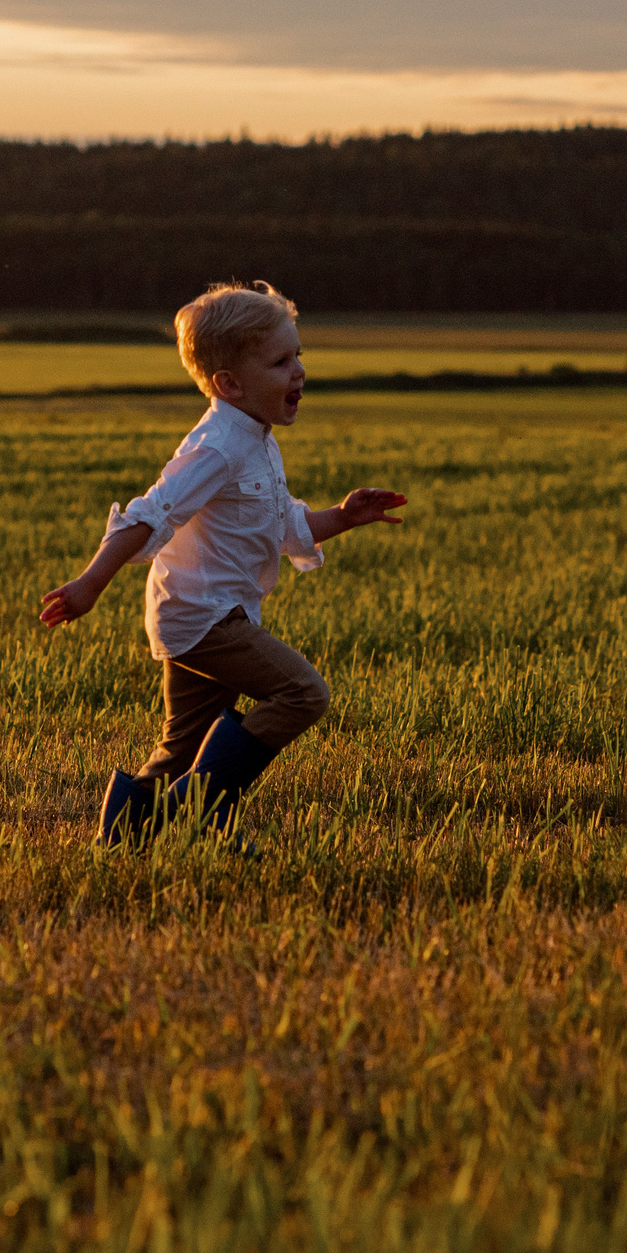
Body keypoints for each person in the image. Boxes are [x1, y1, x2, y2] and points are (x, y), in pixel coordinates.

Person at [37, 280, 407, 844]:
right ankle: (199, 811)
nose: (299, 372)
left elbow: (282, 527)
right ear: (229, 384)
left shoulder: (255, 438)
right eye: (280, 362)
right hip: (203, 616)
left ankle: (123, 841)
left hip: (204, 613)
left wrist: (343, 515)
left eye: (298, 355)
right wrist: (90, 583)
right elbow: (150, 513)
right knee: (303, 693)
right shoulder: (217, 447)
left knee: (183, 747)